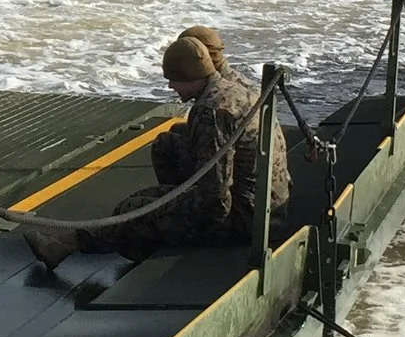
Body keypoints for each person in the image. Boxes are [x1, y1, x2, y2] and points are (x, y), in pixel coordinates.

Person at [24, 33, 288, 271]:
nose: (171, 87)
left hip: (246, 220)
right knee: (166, 152)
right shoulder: (233, 88)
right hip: (266, 204)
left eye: (174, 80)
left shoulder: (212, 111)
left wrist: (176, 222)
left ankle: (67, 245)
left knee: (135, 208)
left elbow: (216, 196)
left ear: (190, 77)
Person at [153, 25, 232, 186]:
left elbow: (217, 189)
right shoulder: (232, 85)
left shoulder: (210, 109)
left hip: (243, 199)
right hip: (257, 183)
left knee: (164, 144)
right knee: (178, 130)